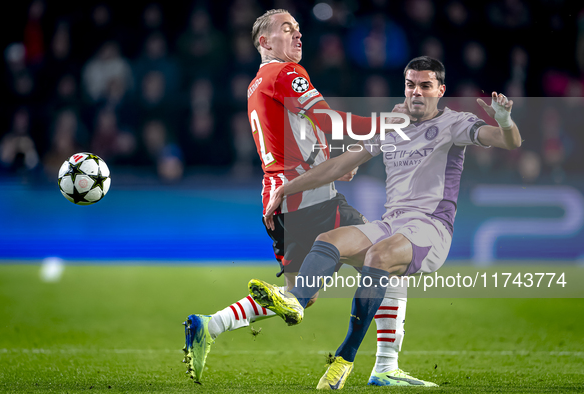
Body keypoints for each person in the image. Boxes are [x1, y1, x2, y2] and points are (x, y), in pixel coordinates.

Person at [250, 55, 522, 389]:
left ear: (440, 90)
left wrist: (506, 122)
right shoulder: (393, 126)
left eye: (425, 86)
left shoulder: (455, 123)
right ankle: (300, 302)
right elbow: (339, 165)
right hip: (392, 223)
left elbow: (508, 142)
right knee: (330, 239)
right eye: (411, 85)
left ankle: (344, 357)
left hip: (431, 228)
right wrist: (286, 188)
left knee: (380, 255)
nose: (417, 93)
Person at [181, 9, 412, 384]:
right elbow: (330, 121)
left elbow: (298, 137)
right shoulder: (285, 73)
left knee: (300, 292)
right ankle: (382, 366)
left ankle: (209, 325)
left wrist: (334, 160)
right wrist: (395, 122)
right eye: (287, 30)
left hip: (282, 201)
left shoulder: (258, 82)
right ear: (264, 42)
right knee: (388, 257)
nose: (298, 35)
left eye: (299, 30)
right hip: (309, 197)